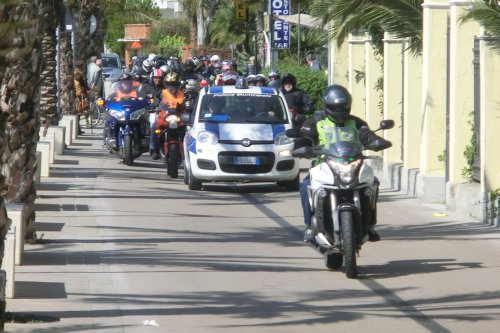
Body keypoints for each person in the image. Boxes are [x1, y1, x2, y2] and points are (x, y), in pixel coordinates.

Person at [298, 84, 392, 243]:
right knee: (304, 185)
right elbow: (303, 138)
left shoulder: (356, 123)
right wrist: (301, 146)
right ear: (327, 106)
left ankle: (370, 224)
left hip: (351, 164)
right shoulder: (315, 122)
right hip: (323, 166)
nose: (340, 110)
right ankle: (309, 225)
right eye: (336, 107)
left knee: (373, 183)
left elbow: (367, 135)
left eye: (343, 106)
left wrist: (377, 141)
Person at [74, 60, 87, 135]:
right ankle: (77, 130)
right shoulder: (78, 74)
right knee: (78, 112)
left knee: (78, 112)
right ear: (80, 66)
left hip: (76, 94)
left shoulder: (75, 73)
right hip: (78, 94)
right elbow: (83, 84)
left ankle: (78, 129)